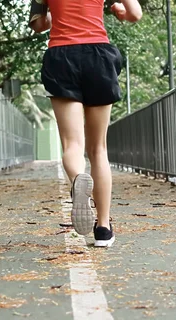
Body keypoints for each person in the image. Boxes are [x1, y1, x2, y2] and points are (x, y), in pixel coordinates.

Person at [29, 0, 142, 247]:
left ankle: (79, 180)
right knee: (98, 149)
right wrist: (118, 11)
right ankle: (103, 228)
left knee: (72, 145)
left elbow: (38, 24)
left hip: (62, 56)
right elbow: (134, 14)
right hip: (98, 56)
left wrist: (54, 17)